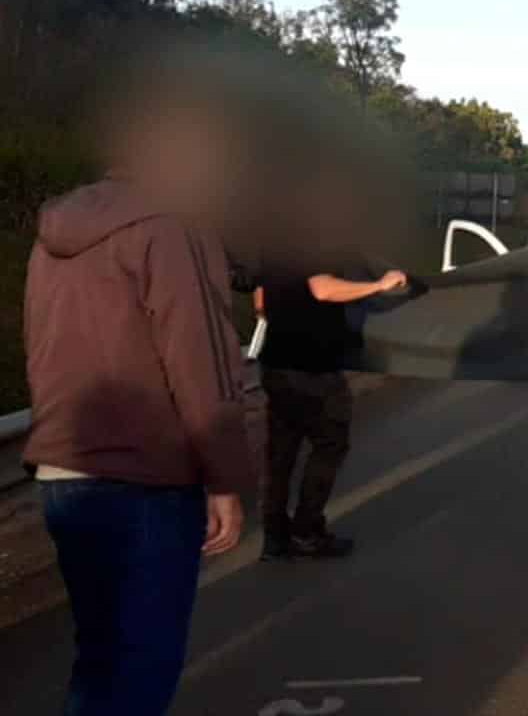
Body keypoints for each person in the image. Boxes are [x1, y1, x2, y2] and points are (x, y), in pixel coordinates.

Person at [22, 127, 253, 713]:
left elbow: (41, 346)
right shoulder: (176, 227)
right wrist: (225, 479)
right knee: (141, 664)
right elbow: (202, 362)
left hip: (62, 470)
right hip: (148, 481)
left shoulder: (51, 238)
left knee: (100, 659)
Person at [251, 253, 410, 561]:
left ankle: (275, 538)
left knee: (281, 454)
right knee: (330, 445)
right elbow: (323, 288)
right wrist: (379, 284)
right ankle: (307, 532)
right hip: (314, 367)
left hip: (276, 363)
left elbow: (260, 302)